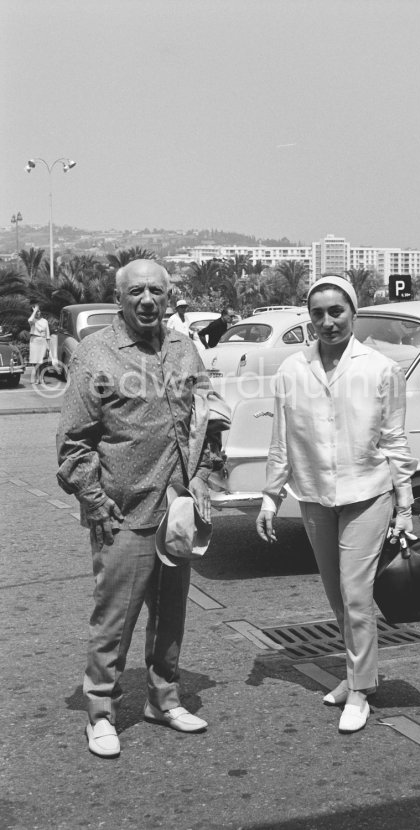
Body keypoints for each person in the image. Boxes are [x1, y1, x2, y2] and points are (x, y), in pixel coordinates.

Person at [56, 259, 225, 759]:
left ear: (168, 295)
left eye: (156, 290)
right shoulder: (96, 353)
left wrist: (206, 477)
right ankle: (101, 711)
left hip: (178, 508)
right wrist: (95, 499)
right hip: (123, 511)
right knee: (116, 619)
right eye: (136, 292)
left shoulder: (182, 346)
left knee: (170, 615)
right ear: (119, 298)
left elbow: (204, 414)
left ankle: (163, 698)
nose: (147, 299)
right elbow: (74, 442)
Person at [256, 275, 418, 734]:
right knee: (336, 595)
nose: (327, 322)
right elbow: (281, 440)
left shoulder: (380, 369)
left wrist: (404, 507)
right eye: (318, 314)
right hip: (314, 495)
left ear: (354, 312)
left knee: (356, 594)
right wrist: (271, 497)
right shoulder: (293, 370)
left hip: (367, 493)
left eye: (336, 311)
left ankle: (362, 689)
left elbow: (396, 442)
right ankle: (354, 675)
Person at [28, 305, 50, 382]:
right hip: (34, 340)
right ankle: (36, 376)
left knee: (41, 360)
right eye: (36, 312)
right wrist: (34, 310)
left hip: (42, 340)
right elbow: (30, 319)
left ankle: (41, 377)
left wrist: (48, 345)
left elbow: (48, 334)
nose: (37, 313)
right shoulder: (33, 320)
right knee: (35, 360)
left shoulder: (45, 321)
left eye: (38, 311)